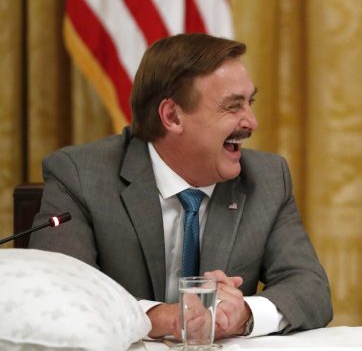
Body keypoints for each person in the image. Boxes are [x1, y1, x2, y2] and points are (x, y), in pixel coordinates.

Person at [30, 34, 332, 340]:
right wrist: (161, 318)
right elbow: (61, 295)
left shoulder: (266, 178)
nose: (252, 122)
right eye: (233, 107)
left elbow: (310, 289)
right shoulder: (80, 175)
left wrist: (243, 315)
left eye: (250, 103)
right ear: (172, 116)